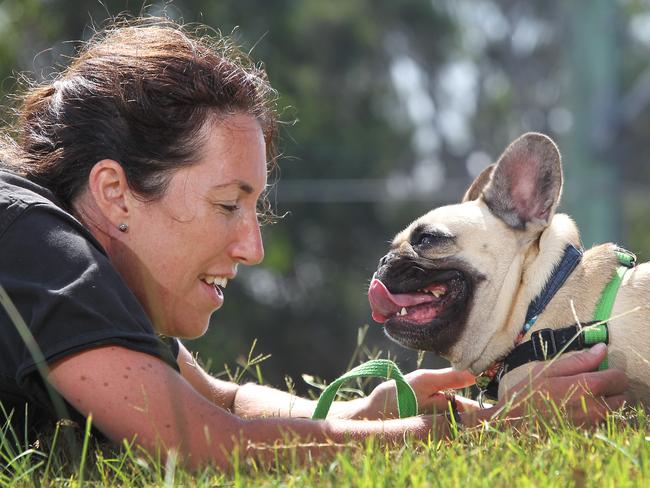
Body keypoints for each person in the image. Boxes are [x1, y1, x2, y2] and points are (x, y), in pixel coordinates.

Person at [0, 18, 628, 470]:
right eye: (227, 204)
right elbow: (206, 444)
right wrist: (496, 429)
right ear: (114, 192)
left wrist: (363, 414)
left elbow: (222, 398)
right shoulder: (36, 245)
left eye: (256, 209)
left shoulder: (80, 263)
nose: (252, 248)